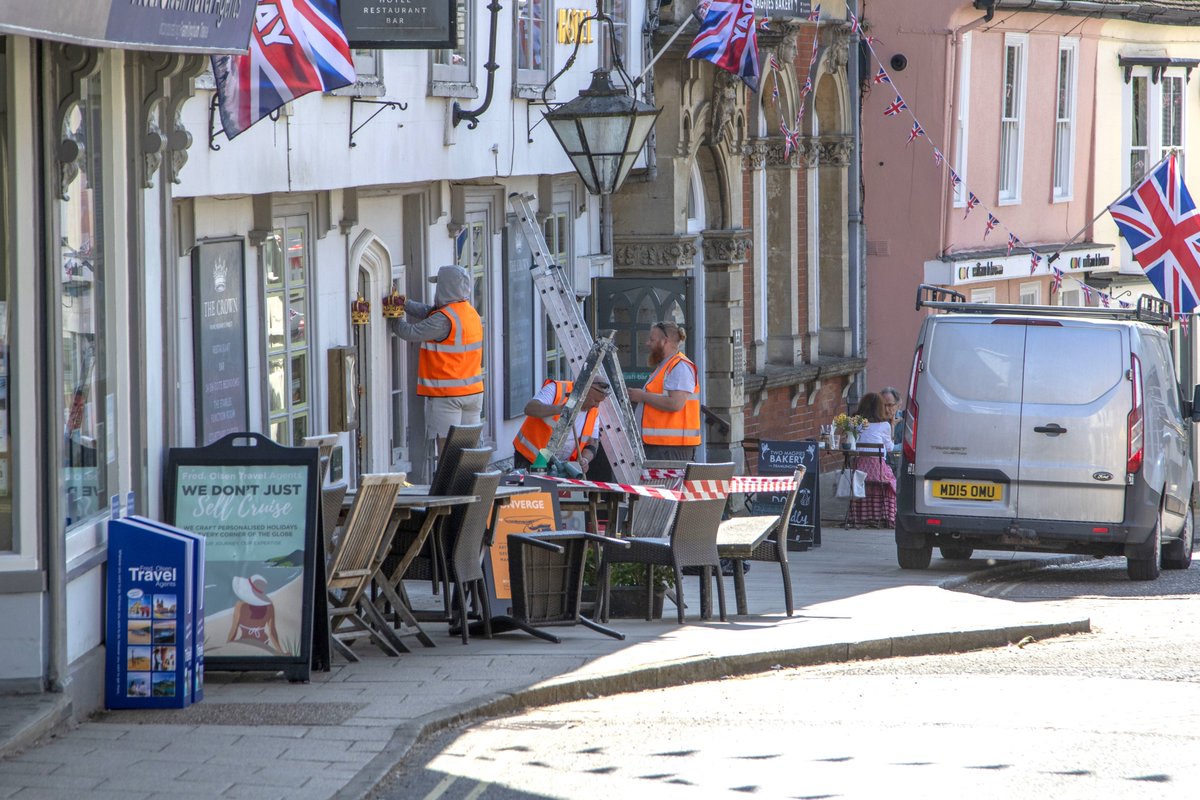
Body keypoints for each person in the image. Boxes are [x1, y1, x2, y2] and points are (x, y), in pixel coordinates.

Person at [390, 265, 484, 456]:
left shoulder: (443, 319)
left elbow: (408, 332)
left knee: (447, 451)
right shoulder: (469, 313)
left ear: (445, 288)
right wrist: (405, 304)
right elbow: (429, 312)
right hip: (473, 394)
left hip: (447, 396)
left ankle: (447, 486)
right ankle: (466, 484)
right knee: (468, 450)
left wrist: (393, 314)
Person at [626, 321, 701, 461]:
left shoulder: (680, 367)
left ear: (664, 341)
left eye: (652, 339)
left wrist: (642, 396)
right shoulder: (667, 366)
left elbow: (675, 404)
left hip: (670, 448)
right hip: (662, 446)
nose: (648, 343)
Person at [512, 378, 610, 473]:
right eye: (595, 400)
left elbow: (592, 443)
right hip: (531, 459)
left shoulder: (593, 412)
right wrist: (559, 409)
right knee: (535, 488)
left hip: (560, 465)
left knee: (550, 489)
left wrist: (585, 459)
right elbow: (530, 408)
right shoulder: (556, 389)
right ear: (585, 393)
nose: (597, 406)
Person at [846, 392, 898, 528]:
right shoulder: (884, 425)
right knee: (892, 481)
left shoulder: (855, 424)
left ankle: (859, 516)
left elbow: (850, 444)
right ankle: (885, 516)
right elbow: (890, 448)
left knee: (865, 479)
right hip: (878, 472)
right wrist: (892, 427)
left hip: (859, 473)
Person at [226, 575, 283, 654]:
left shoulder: (240, 606)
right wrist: (281, 652)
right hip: (264, 644)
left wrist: (227, 646)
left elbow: (234, 630)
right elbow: (272, 632)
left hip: (244, 643)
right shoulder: (269, 606)